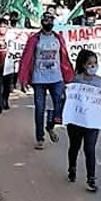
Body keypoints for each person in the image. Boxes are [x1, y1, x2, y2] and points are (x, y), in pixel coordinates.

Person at [18, 12, 74, 150]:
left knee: (59, 104)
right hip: (39, 79)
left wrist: (69, 77)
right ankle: (40, 138)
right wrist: (23, 78)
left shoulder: (58, 38)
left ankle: (50, 126)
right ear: (42, 22)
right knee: (39, 108)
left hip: (57, 77)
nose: (48, 22)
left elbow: (64, 57)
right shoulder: (34, 39)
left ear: (53, 22)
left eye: (50, 20)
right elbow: (26, 59)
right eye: (45, 20)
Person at [66, 49, 101, 192]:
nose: (93, 66)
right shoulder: (75, 80)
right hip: (76, 122)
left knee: (90, 149)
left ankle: (91, 178)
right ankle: (72, 168)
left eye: (95, 63)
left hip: (92, 122)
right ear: (83, 65)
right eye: (90, 63)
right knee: (75, 146)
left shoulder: (99, 81)